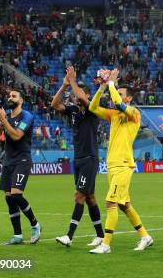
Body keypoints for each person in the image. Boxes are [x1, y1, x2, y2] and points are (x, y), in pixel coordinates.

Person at [88, 69, 153, 254]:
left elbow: (117, 101)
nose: (116, 94)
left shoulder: (134, 114)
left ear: (129, 98)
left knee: (110, 202)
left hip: (124, 164)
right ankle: (145, 236)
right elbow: (92, 108)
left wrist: (111, 84)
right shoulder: (114, 115)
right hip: (112, 165)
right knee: (124, 205)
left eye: (121, 92)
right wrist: (101, 88)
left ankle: (106, 244)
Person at [51, 66, 105, 247]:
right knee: (90, 198)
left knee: (78, 195)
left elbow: (82, 97)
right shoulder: (74, 110)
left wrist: (73, 80)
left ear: (87, 95)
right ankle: (101, 235)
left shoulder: (93, 108)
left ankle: (69, 236)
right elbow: (54, 104)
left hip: (90, 157)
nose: (76, 95)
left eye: (79, 92)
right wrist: (65, 85)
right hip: (79, 158)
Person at [0, 88, 41, 245]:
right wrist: (1, 123)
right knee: (9, 198)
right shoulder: (6, 118)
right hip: (8, 162)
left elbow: (17, 136)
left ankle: (35, 224)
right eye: (9, 96)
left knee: (16, 195)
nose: (10, 98)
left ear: (21, 100)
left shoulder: (27, 116)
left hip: (22, 160)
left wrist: (4, 121)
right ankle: (18, 235)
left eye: (14, 96)